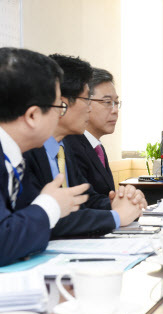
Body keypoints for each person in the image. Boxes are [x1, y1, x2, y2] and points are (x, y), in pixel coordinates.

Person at [22, 54, 146, 238]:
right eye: (86, 100)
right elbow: (46, 219)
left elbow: (86, 198)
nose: (89, 108)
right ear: (61, 102)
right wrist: (116, 216)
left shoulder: (63, 147)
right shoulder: (28, 151)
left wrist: (121, 202)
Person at [0, 48, 90, 266]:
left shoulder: (15, 158)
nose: (61, 113)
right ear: (32, 115)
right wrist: (50, 205)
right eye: (59, 106)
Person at [66, 68, 118, 196]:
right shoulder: (71, 146)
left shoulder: (96, 147)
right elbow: (86, 201)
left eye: (116, 102)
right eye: (107, 102)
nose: (115, 110)